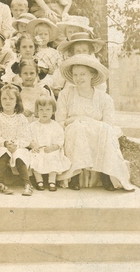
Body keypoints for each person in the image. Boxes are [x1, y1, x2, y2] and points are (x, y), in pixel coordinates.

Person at [57, 55, 134, 191]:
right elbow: (60, 121)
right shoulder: (66, 94)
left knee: (106, 130)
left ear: (91, 74)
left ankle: (107, 174)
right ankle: (74, 174)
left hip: (97, 132)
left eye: (82, 74)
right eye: (75, 75)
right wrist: (76, 122)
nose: (78, 78)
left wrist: (81, 118)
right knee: (77, 128)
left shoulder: (104, 98)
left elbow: (108, 124)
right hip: (74, 131)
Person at [0, 84, 33, 195]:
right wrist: (5, 143)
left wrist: (16, 144)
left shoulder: (21, 118)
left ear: (17, 101)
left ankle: (27, 184)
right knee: (3, 152)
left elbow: (26, 137)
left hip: (17, 146)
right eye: (4, 98)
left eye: (11, 98)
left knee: (20, 153)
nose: (8, 101)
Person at [29, 96, 71, 191]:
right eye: (41, 110)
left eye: (48, 109)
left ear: (53, 111)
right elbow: (29, 138)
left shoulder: (56, 126)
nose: (44, 112)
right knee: (34, 157)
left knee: (53, 157)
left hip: (51, 149)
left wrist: (54, 147)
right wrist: (33, 145)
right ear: (37, 111)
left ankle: (52, 181)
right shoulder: (33, 126)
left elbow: (60, 139)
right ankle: (39, 180)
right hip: (38, 149)